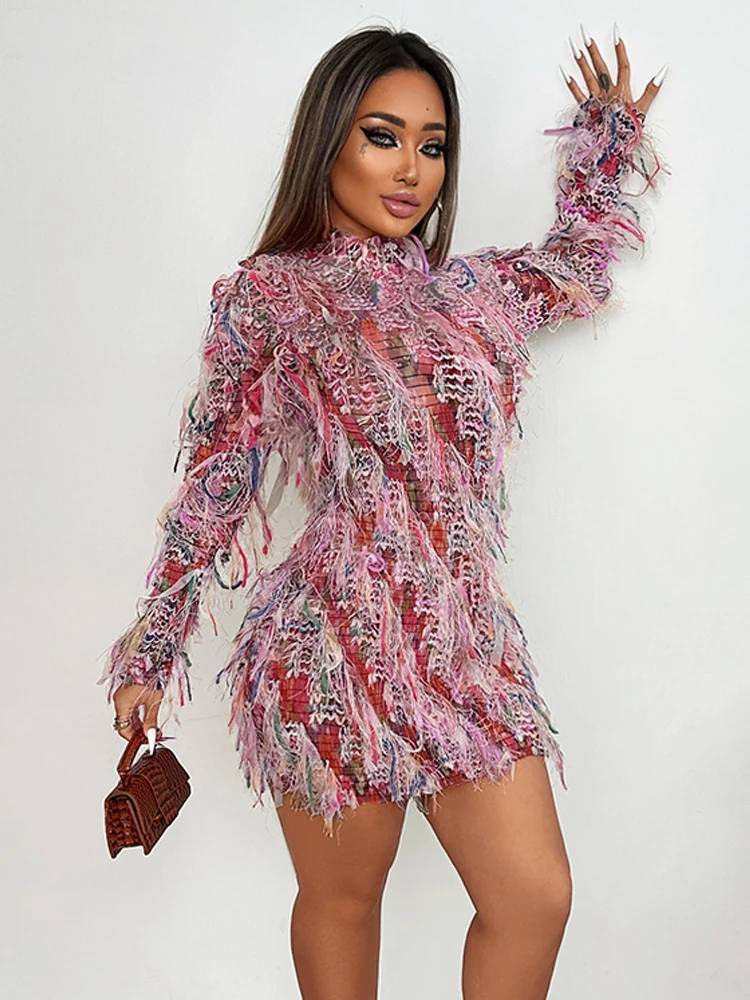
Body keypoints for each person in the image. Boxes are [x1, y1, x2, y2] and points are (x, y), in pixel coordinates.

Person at [98, 23, 666, 1000]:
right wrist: (153, 650)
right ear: (329, 139)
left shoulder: (472, 293)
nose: (411, 170)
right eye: (382, 136)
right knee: (344, 903)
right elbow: (217, 481)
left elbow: (577, 268)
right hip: (329, 651)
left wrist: (605, 144)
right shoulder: (269, 297)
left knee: (534, 897)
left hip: (462, 650)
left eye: (433, 145)